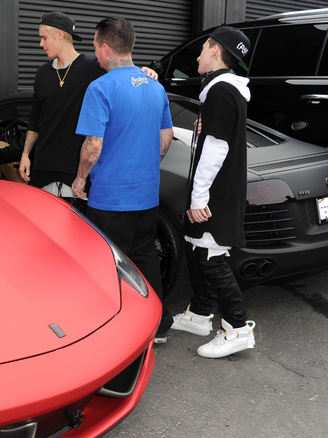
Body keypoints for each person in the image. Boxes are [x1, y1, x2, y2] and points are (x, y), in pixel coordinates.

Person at [70, 17, 174, 342]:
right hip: (146, 195)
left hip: (110, 197)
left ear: (104, 47)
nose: (96, 57)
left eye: (94, 49)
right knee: (144, 256)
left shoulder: (100, 87)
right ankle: (159, 325)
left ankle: (113, 330)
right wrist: (143, 161)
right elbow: (166, 138)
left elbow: (93, 145)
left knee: (108, 263)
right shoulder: (155, 86)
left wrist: (80, 178)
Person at [170, 26, 256, 358]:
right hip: (219, 190)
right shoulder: (225, 91)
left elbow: (217, 149)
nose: (198, 55)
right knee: (198, 251)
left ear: (217, 52)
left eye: (203, 48)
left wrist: (198, 198)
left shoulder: (220, 92)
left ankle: (237, 328)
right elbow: (216, 139)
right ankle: (201, 314)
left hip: (215, 194)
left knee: (211, 256)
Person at [16, 12, 157, 207]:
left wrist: (145, 72)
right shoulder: (42, 73)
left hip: (76, 173)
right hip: (42, 168)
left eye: (44, 38)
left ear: (60, 35)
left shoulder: (93, 67)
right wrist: (25, 155)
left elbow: (123, 70)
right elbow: (35, 118)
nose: (41, 44)